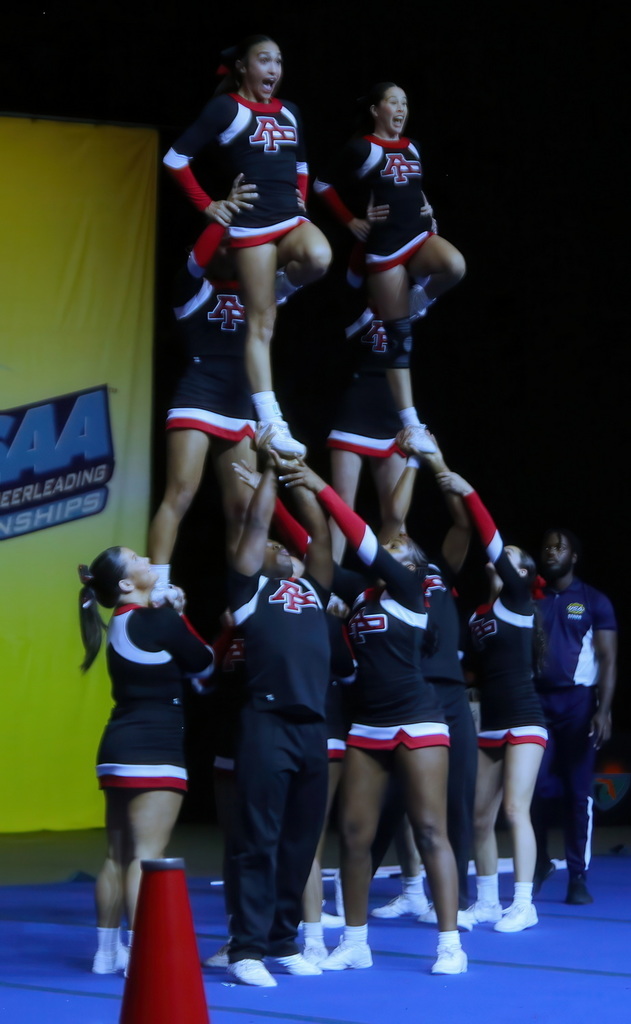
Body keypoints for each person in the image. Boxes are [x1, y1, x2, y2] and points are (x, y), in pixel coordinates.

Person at [279, 458, 467, 976]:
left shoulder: (412, 590)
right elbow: (314, 548)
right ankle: (356, 940)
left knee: (431, 830)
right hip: (368, 726)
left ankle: (450, 943)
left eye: (398, 546)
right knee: (355, 836)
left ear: (413, 563)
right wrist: (282, 489)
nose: (390, 546)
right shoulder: (359, 594)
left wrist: (321, 483)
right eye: (388, 544)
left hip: (419, 721)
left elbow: (359, 536)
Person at [163, 34, 332, 457]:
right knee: (262, 326)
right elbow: (175, 159)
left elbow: (303, 163)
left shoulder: (290, 111)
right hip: (252, 227)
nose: (273, 69)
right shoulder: (226, 108)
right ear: (242, 66)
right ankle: (272, 422)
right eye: (263, 60)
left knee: (319, 256)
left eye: (278, 60)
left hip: (289, 219)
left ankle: (278, 287)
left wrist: (300, 197)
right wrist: (210, 206)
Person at [225, 452, 334, 987]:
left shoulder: (313, 588)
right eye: (274, 546)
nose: (282, 548)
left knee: (299, 843)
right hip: (266, 724)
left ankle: (283, 941)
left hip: (313, 727)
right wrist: (269, 469)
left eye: (286, 548)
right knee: (259, 841)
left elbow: (318, 529)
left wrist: (299, 477)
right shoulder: (249, 594)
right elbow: (256, 525)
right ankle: (246, 949)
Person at [77, 548, 213, 973]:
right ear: (123, 583)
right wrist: (180, 612)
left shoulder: (122, 620)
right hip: (154, 750)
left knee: (116, 854)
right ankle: (142, 956)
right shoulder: (157, 620)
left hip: (117, 748)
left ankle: (106, 953)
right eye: (135, 557)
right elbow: (206, 662)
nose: (146, 558)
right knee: (147, 856)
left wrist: (172, 612)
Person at [314, 82, 465, 456]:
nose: (401, 108)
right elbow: (322, 184)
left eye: (405, 103)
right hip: (383, 251)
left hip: (416, 236)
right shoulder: (362, 147)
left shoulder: (412, 146)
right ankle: (411, 422)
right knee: (399, 340)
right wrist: (351, 221)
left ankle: (418, 298)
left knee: (455, 265)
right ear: (376, 109)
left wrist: (428, 210)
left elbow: (413, 187)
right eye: (393, 102)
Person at [368, 439, 477, 921]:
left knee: (458, 797)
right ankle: (378, 885)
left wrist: (437, 460)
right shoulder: (396, 574)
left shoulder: (440, 571)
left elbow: (463, 522)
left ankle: (457, 901)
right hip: (408, 689)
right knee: (389, 798)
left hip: (449, 692)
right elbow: (392, 517)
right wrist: (410, 462)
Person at [435, 470, 547, 932]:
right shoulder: (480, 615)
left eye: (514, 559)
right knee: (478, 816)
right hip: (491, 723)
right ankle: (486, 899)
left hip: (524, 720)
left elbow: (492, 540)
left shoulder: (519, 599)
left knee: (513, 810)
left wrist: (467, 491)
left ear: (522, 574)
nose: (504, 560)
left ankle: (524, 903)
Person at [147, 247, 258, 593]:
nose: (229, 248)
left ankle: (243, 599)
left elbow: (305, 269)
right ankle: (159, 587)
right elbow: (199, 254)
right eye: (223, 242)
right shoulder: (192, 288)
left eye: (235, 243)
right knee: (180, 493)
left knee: (243, 507)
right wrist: (217, 215)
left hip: (239, 404)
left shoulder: (258, 289)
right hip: (198, 398)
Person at [533, 529, 618, 904]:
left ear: (574, 557)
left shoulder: (593, 600)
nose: (552, 552)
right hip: (536, 703)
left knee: (576, 792)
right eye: (547, 547)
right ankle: (538, 862)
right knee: (529, 789)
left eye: (560, 547)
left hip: (578, 706)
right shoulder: (530, 599)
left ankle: (577, 877)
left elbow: (608, 658)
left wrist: (603, 708)